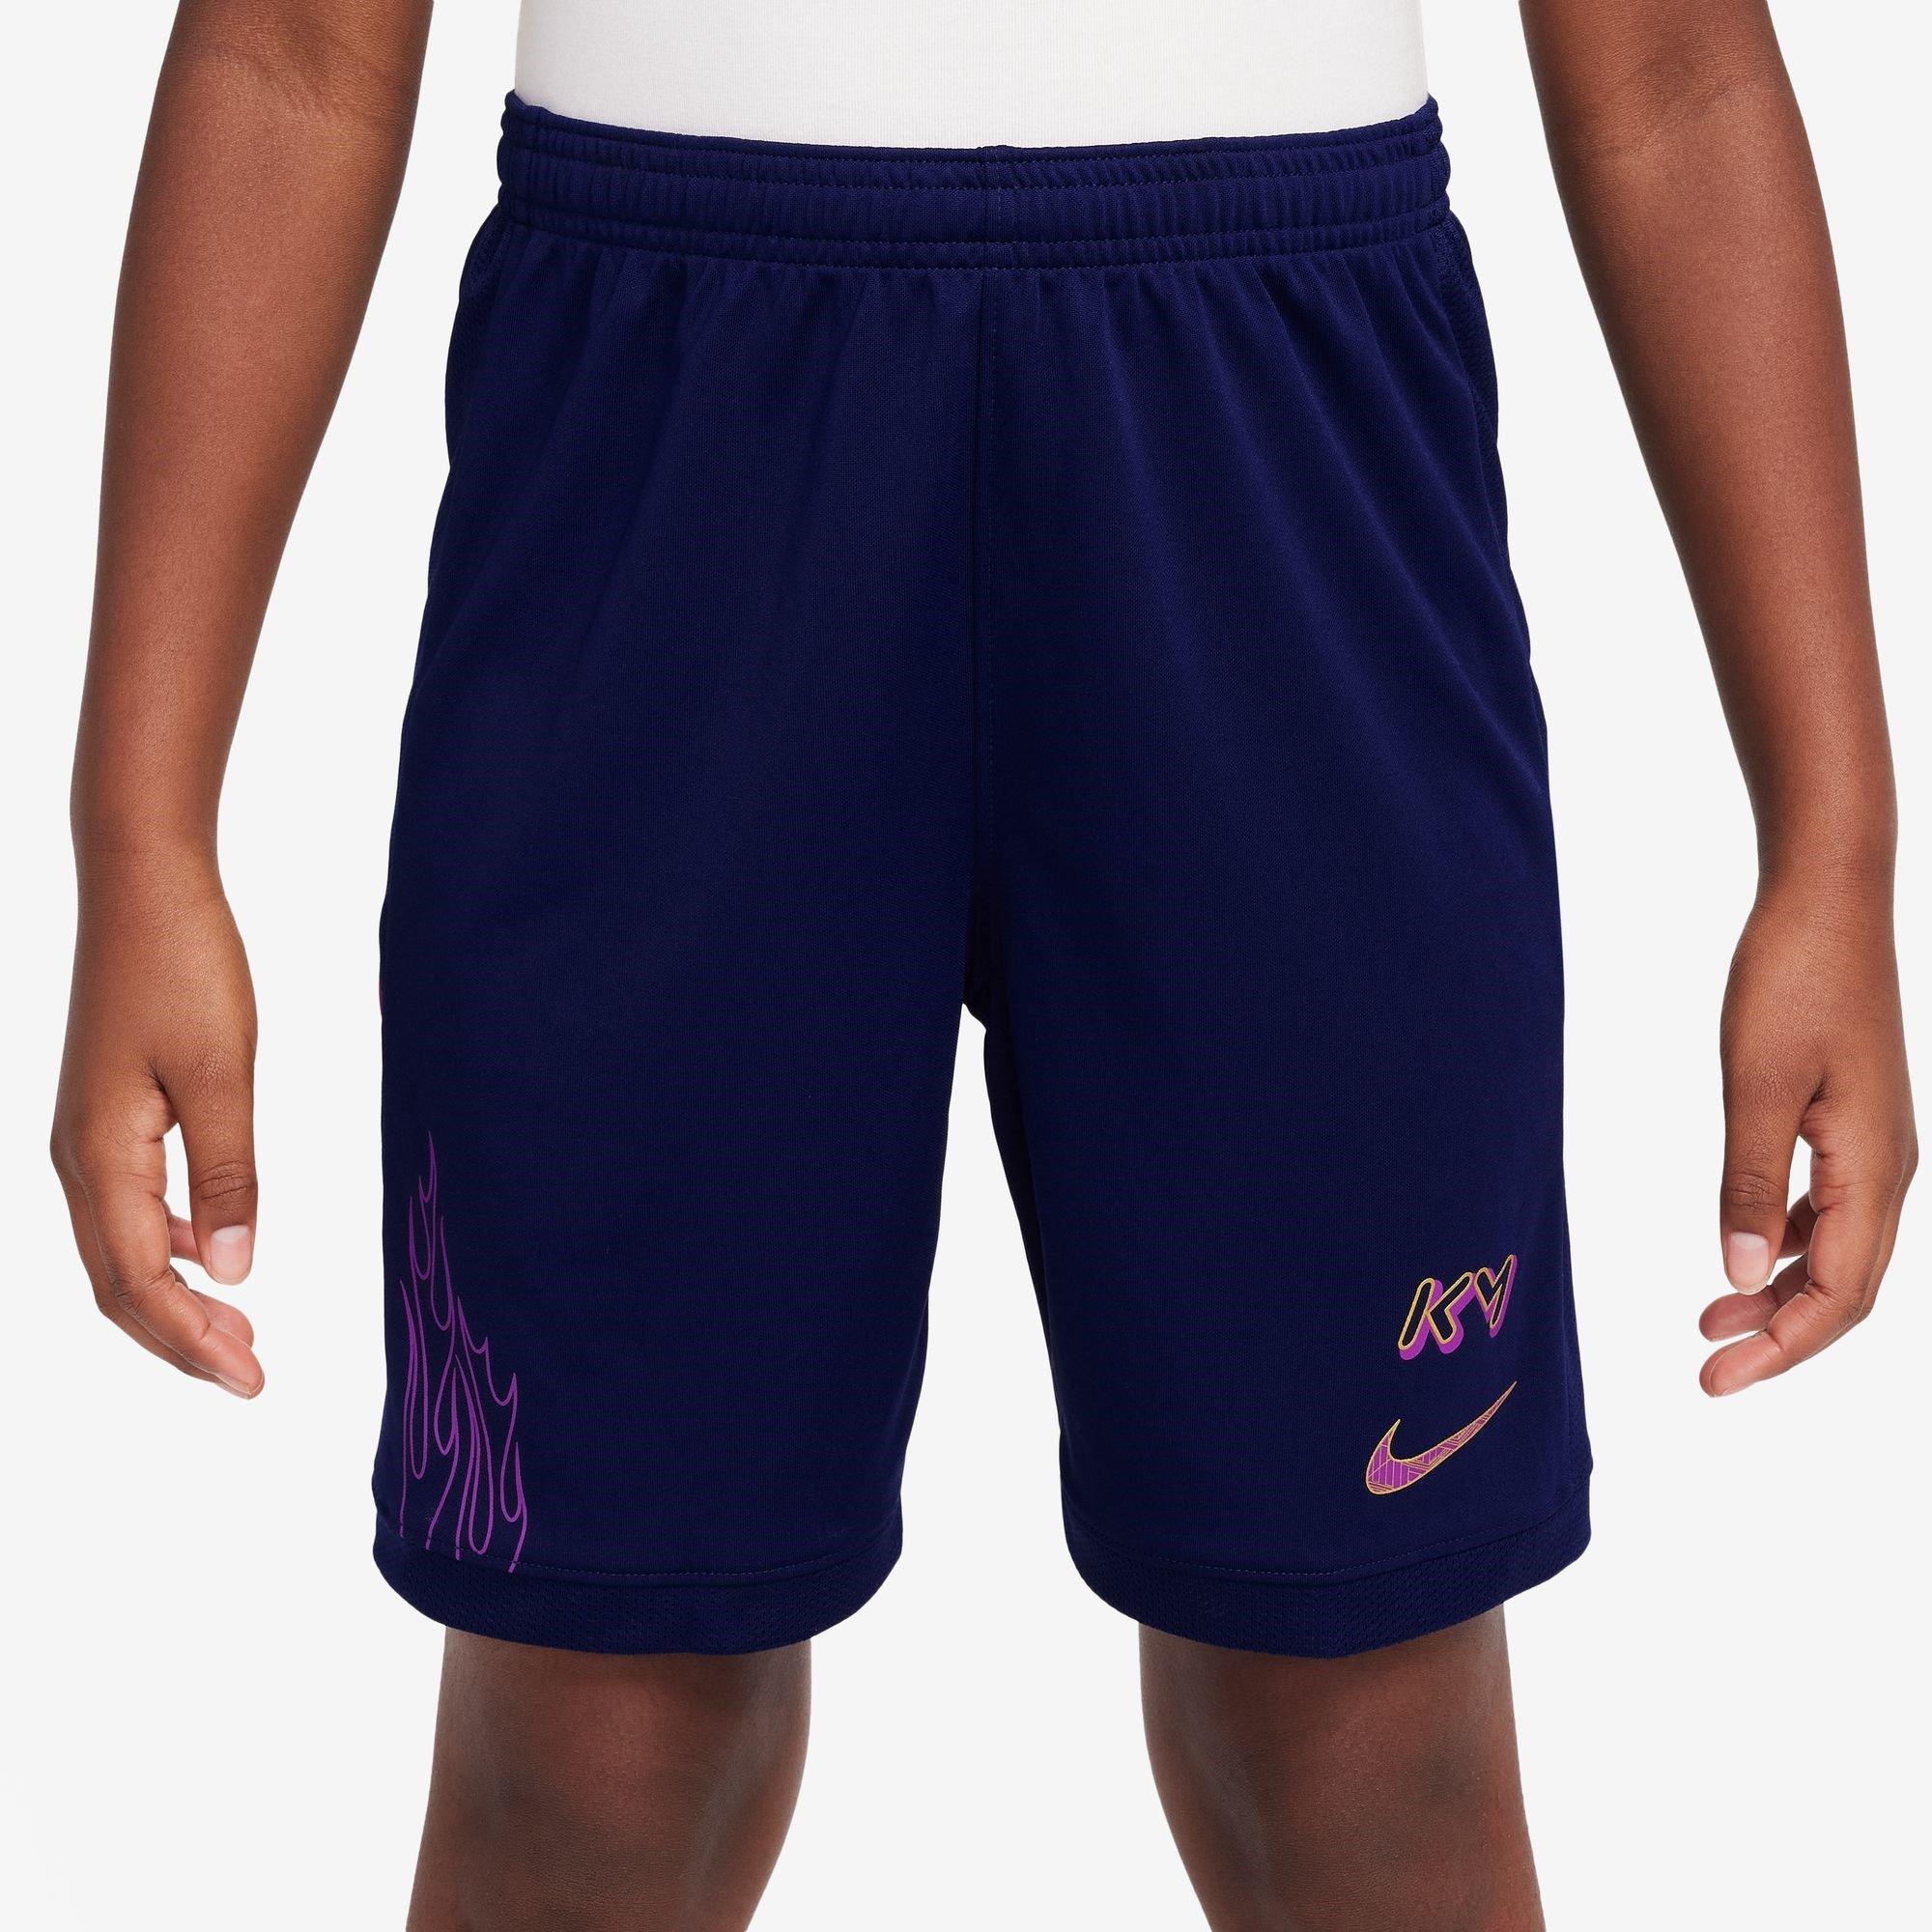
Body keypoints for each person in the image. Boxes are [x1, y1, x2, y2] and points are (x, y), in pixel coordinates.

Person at [51, 1, 1915, 1925]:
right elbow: (294, 49)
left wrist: (1833, 847)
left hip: (1273, 443)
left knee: (1363, 1725)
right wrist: (141, 831)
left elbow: (1672, 66)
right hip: (667, 453)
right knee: (596, 1737)